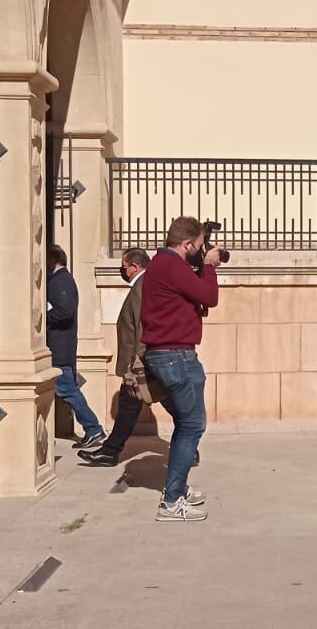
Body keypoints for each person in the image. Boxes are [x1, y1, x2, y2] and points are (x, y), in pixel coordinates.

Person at [140, 217, 220, 521]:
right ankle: (171, 502)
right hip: (176, 356)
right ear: (187, 244)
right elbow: (209, 296)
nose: (202, 251)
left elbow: (195, 297)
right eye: (199, 247)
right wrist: (210, 266)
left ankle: (177, 488)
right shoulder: (171, 266)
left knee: (185, 424)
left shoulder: (164, 265)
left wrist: (202, 268)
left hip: (168, 355)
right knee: (192, 425)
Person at [80, 249, 175, 474]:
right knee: (134, 405)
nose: (122, 270)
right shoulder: (142, 286)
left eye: (124, 266)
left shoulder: (143, 287)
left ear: (134, 266)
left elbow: (143, 326)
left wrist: (137, 361)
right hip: (140, 360)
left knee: (169, 403)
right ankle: (111, 450)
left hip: (141, 360)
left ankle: (111, 451)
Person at [46, 244, 104, 450]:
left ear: (52, 261)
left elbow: (64, 311)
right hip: (61, 347)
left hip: (59, 348)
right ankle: (92, 427)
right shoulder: (61, 280)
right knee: (67, 389)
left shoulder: (61, 281)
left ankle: (93, 427)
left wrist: (43, 319)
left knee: (67, 390)